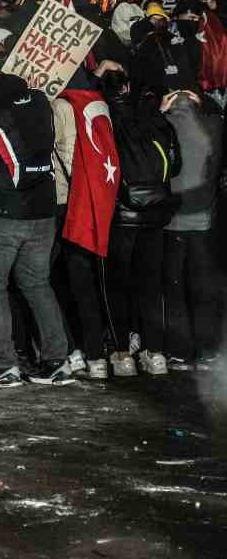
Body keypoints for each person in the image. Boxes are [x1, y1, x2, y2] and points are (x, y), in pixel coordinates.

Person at [0, 68, 72, 386]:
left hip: (2, 211)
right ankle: (57, 359)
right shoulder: (40, 106)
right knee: (37, 284)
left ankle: (5, 364)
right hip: (43, 211)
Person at [103, 68, 181, 376]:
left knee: (118, 286)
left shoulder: (108, 121)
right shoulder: (157, 121)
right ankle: (156, 354)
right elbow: (174, 166)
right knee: (151, 286)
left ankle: (122, 355)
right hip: (155, 214)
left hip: (122, 216)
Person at [162, 89, 223, 369]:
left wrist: (162, 108)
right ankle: (207, 351)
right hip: (203, 220)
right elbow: (213, 110)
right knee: (202, 288)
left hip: (171, 221)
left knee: (173, 289)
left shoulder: (163, 125)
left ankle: (179, 352)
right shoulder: (213, 125)